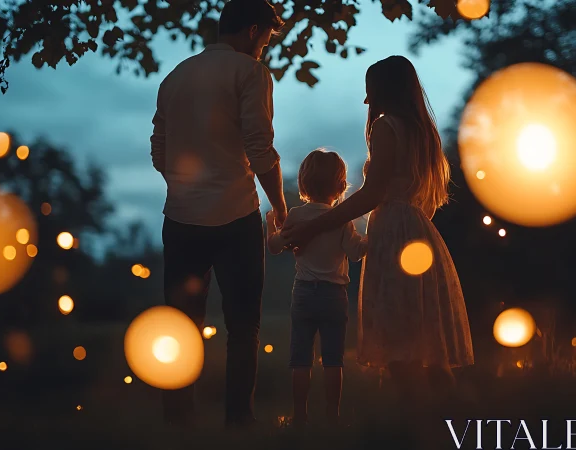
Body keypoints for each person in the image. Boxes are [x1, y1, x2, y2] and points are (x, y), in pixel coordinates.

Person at [280, 56, 474, 404]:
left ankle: (413, 428)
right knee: (429, 344)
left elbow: (374, 192)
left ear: (385, 90)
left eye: (370, 92)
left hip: (395, 236)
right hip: (420, 232)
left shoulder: (386, 127)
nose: (367, 101)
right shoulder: (422, 134)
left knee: (401, 341)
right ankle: (447, 420)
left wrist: (315, 226)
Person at [149, 0, 286, 427]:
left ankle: (177, 417)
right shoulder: (251, 73)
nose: (265, 47)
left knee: (181, 323)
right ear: (252, 31)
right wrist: (280, 205)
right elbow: (259, 147)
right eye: (266, 38)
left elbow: (159, 146)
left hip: (181, 219)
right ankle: (238, 421)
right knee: (243, 327)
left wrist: (183, 186)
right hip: (235, 218)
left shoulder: (176, 76)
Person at [266, 149, 367, 427]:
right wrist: (374, 235)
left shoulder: (296, 215)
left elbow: (275, 247)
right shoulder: (342, 219)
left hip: (303, 294)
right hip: (334, 296)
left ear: (303, 182)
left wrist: (269, 225)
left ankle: (300, 416)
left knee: (300, 358)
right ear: (340, 185)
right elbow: (356, 252)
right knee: (333, 359)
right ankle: (332, 416)